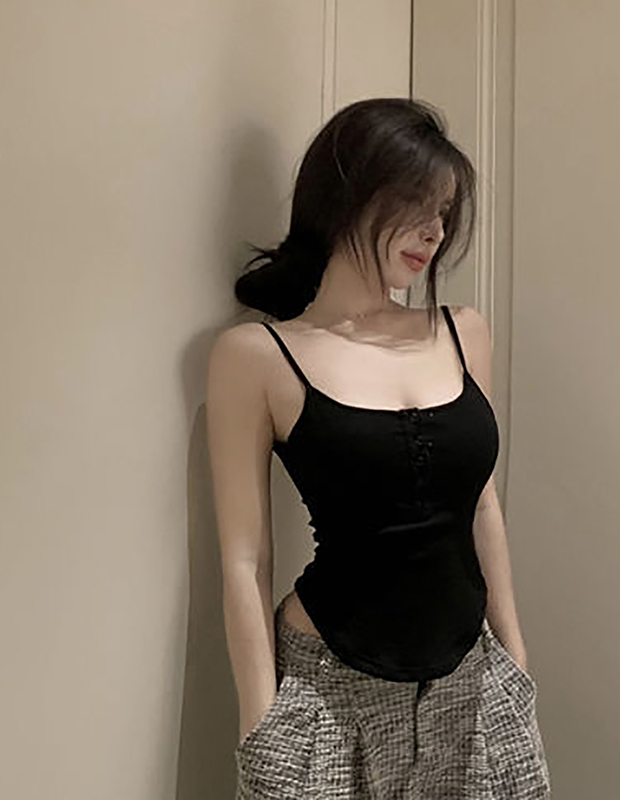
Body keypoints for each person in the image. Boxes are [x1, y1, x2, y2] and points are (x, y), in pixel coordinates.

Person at [207, 97, 551, 799]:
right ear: (348, 194)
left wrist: (515, 659)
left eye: (445, 212)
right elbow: (246, 560)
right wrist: (261, 727)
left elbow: (480, 503)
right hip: (326, 692)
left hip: (472, 683)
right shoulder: (257, 356)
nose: (435, 230)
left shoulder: (464, 332)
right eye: (418, 204)